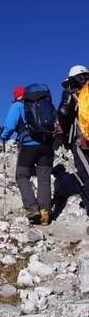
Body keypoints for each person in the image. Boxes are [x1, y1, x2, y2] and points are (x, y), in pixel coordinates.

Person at [0, 85, 55, 226]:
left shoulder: (17, 106)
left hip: (28, 146)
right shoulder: (44, 104)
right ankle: (45, 211)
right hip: (47, 145)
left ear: (16, 96)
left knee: (22, 175)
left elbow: (10, 126)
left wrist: (4, 137)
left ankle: (32, 208)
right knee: (44, 178)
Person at [53, 65, 89, 218]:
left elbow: (63, 112)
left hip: (82, 141)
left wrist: (64, 133)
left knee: (86, 175)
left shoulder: (72, 94)